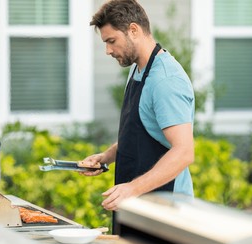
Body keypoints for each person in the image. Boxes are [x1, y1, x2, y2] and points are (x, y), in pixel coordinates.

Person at [81, 0, 195, 227]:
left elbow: (184, 152)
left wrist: (132, 189)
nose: (108, 51)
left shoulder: (165, 80)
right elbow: (140, 133)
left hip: (165, 210)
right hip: (138, 205)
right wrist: (106, 157)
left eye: (111, 41)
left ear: (133, 30)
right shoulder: (138, 69)